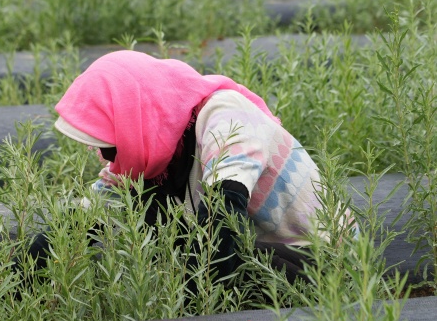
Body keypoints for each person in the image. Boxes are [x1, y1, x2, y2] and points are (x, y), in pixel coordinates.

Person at [39, 50, 335, 284]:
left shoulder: (226, 116)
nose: (106, 154)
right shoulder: (156, 152)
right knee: (139, 213)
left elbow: (222, 216)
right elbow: (85, 218)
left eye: (111, 141)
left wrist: (188, 315)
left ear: (137, 118)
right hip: (249, 250)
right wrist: (22, 276)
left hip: (313, 259)